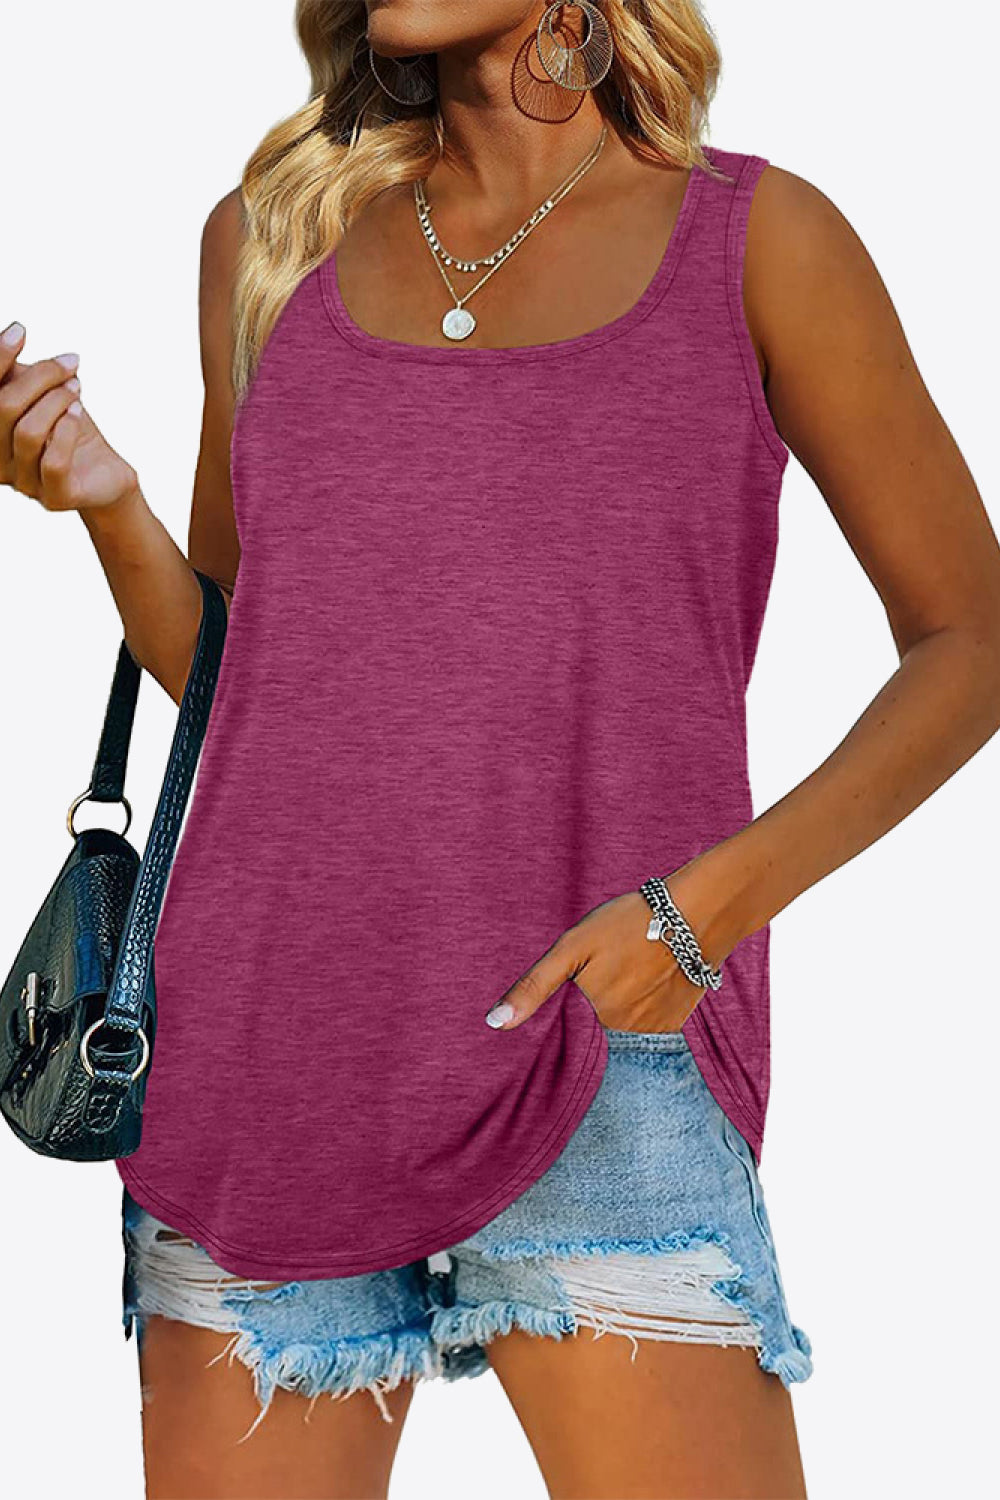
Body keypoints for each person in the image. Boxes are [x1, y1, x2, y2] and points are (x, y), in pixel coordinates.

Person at [3, 3, 999, 1497]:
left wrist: (700, 915)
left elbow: (971, 638)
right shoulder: (269, 239)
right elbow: (234, 670)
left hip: (600, 1055)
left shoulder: (755, 241)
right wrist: (106, 505)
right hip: (267, 1054)